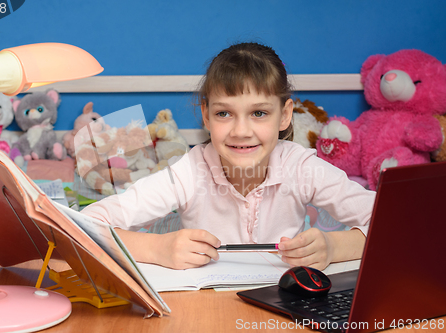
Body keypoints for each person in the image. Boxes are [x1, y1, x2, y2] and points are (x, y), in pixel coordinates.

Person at [82, 42, 375, 271]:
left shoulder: (302, 168)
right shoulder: (189, 172)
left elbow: (391, 222)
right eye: (224, 113)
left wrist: (335, 246)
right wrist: (155, 249)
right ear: (206, 116)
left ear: (284, 115)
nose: (241, 131)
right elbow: (83, 224)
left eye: (259, 113)